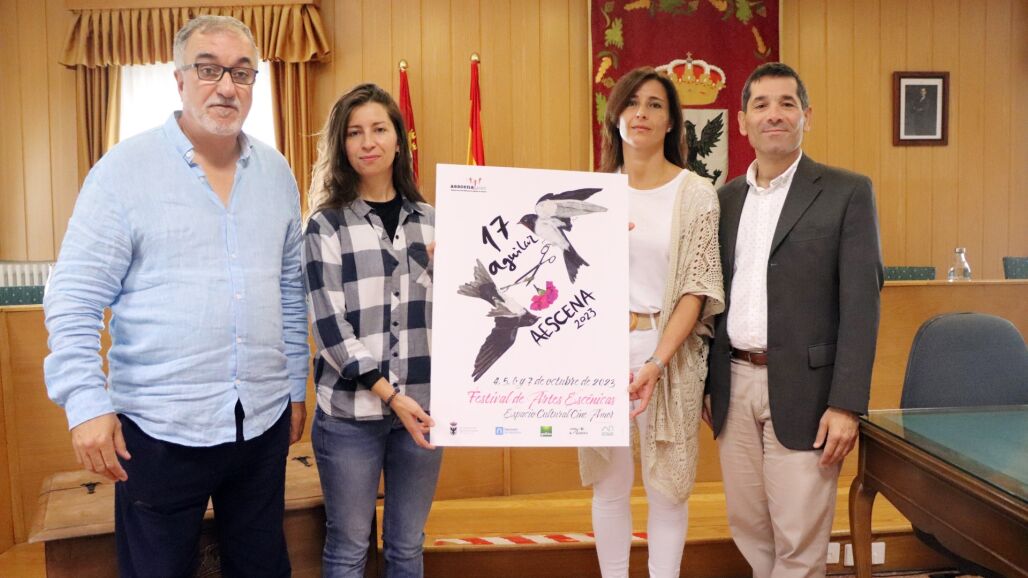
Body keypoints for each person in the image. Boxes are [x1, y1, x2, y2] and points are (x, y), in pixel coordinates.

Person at [42, 15, 308, 578]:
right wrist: (86, 403)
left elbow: (289, 291)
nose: (227, 86)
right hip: (158, 430)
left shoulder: (277, 174)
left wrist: (294, 388)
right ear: (179, 79)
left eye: (242, 72)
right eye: (209, 69)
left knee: (263, 567)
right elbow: (74, 297)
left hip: (260, 422)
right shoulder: (122, 172)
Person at [705, 62, 884, 578]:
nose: (774, 115)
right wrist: (708, 385)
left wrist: (846, 404)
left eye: (787, 104)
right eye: (761, 105)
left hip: (810, 393)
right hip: (733, 386)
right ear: (743, 121)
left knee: (799, 540)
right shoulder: (724, 201)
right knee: (749, 529)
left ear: (807, 116)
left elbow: (862, 306)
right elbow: (712, 297)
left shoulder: (847, 192)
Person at [579, 67, 725, 578]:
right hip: (600, 352)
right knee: (609, 485)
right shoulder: (590, 193)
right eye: (631, 102)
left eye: (655, 104)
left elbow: (696, 289)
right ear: (615, 117)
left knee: (667, 489)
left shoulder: (695, 193)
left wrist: (657, 362)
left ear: (671, 122)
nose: (641, 113)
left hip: (669, 354)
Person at [304, 83, 440, 578]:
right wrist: (390, 395)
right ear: (342, 145)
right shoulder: (325, 226)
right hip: (349, 415)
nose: (368, 142)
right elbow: (330, 328)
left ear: (399, 140)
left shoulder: (433, 223)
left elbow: (477, 309)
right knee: (348, 547)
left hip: (423, 411)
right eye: (354, 132)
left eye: (379, 129)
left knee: (406, 546)